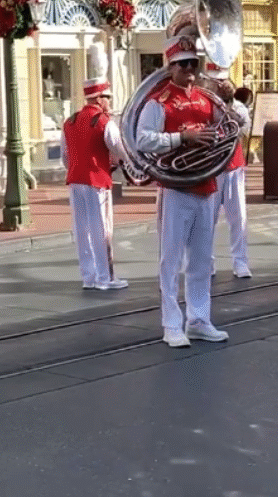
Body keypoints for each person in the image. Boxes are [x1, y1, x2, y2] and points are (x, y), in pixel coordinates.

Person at [136, 31, 228, 348]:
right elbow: (142, 139)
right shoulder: (158, 102)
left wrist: (230, 102)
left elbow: (231, 128)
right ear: (171, 66)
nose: (190, 69)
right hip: (175, 187)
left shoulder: (207, 99)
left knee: (202, 261)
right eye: (183, 64)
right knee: (171, 260)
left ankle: (199, 320)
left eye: (193, 63)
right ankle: (172, 325)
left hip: (206, 184)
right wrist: (182, 138)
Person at [60, 43, 129, 291]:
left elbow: (65, 156)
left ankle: (88, 277)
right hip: (98, 181)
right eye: (107, 98)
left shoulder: (69, 121)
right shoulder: (103, 121)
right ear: (99, 98)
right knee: (103, 230)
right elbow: (119, 147)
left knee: (82, 231)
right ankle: (106, 277)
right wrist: (121, 161)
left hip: (75, 180)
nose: (109, 102)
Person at [206, 63, 252, 279]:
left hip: (233, 166)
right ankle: (207, 262)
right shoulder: (203, 104)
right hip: (211, 168)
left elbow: (244, 128)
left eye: (223, 80)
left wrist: (228, 105)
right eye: (216, 81)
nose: (220, 85)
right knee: (207, 219)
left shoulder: (238, 106)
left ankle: (240, 262)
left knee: (238, 217)